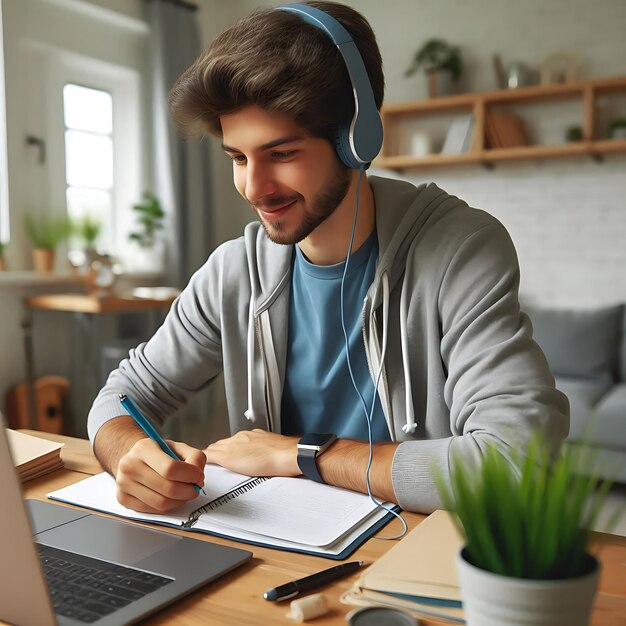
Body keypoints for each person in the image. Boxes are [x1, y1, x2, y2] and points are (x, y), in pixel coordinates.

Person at [88, 1, 569, 515]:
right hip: (283, 553)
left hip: (417, 553)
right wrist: (130, 455)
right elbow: (122, 398)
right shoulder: (233, 272)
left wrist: (303, 454)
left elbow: (518, 464)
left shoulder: (460, 251)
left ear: (357, 138)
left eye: (282, 153)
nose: (255, 187)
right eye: (238, 158)